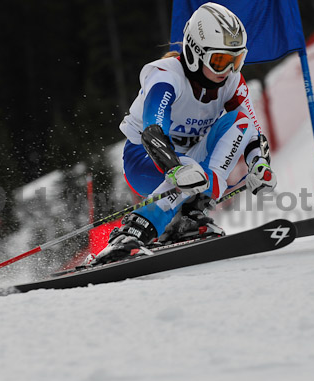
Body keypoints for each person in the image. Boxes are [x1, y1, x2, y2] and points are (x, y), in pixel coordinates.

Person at [93, 3, 276, 265]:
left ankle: (188, 216)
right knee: (191, 167)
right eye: (220, 61)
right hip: (145, 161)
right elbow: (152, 131)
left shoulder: (232, 81)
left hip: (190, 162)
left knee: (241, 123)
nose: (228, 71)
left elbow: (252, 131)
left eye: (236, 60)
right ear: (194, 53)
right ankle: (134, 229)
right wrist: (176, 169)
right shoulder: (167, 77)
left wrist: (259, 163)